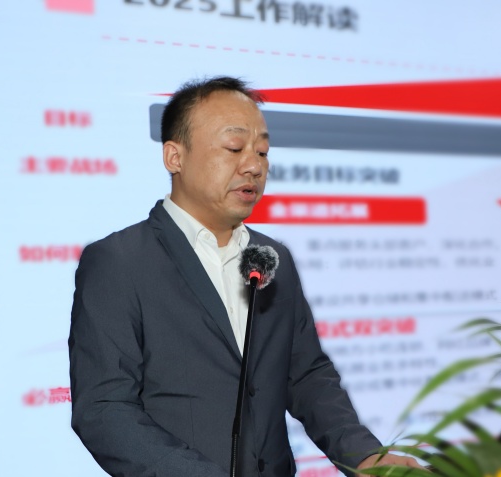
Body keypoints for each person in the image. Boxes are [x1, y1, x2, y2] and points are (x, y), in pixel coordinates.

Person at [69, 76, 423, 477]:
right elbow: (104, 409)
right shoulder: (119, 261)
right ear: (175, 157)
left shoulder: (272, 258)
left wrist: (363, 455)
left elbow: (306, 375)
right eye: (235, 148)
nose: (254, 166)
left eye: (262, 152)